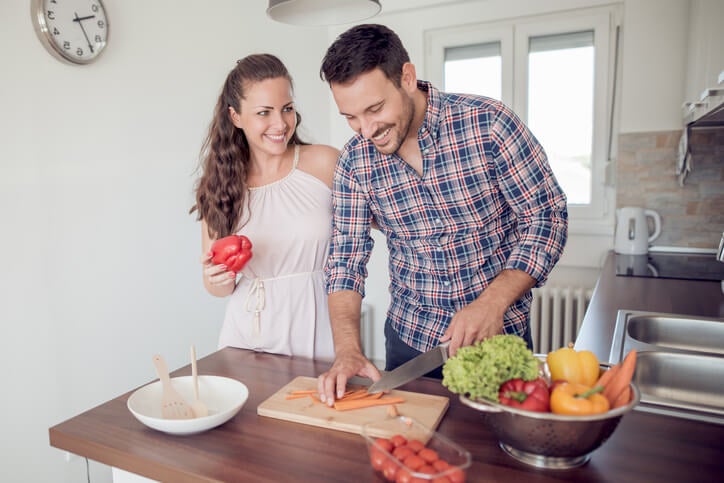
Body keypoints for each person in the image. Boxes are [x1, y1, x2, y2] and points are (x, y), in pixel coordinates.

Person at [316, 24, 568, 404]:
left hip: (497, 339)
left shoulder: (489, 124)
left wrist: (491, 302)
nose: (366, 130)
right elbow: (345, 261)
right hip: (409, 344)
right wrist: (347, 349)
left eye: (375, 108)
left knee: (497, 460)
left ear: (407, 77)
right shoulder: (354, 162)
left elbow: (546, 217)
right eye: (350, 117)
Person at [191, 54, 339, 360]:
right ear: (235, 117)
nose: (280, 123)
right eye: (264, 112)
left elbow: (384, 220)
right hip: (248, 334)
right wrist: (219, 277)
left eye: (287, 109)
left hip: (318, 325)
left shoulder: (324, 162)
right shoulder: (220, 186)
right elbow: (218, 288)